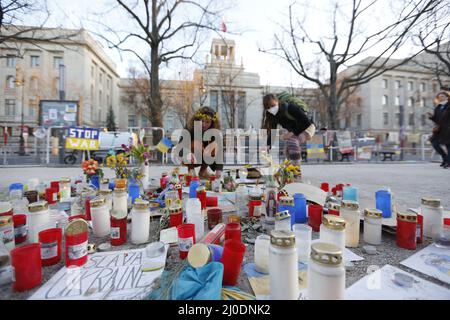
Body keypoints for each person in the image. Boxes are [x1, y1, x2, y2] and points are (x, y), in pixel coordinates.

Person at [262, 93, 315, 170]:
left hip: (307, 128)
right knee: (287, 151)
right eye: (268, 108)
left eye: (273, 105)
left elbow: (306, 123)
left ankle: (296, 171)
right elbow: (273, 130)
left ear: (277, 102)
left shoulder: (290, 107)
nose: (271, 109)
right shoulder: (272, 115)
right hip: (295, 131)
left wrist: (291, 133)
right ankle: (290, 170)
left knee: (292, 142)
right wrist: (268, 145)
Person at [181, 106, 223, 179]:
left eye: (207, 122)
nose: (204, 124)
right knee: (196, 143)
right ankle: (191, 171)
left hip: (204, 157)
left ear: (212, 123)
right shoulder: (189, 128)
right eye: (202, 121)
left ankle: (203, 171)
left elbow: (219, 151)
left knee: (214, 145)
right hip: (191, 156)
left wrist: (219, 169)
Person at [428, 91, 450, 169]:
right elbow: (437, 120)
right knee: (434, 142)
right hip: (440, 129)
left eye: (442, 96)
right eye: (439, 97)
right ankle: (445, 158)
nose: (440, 98)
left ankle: (448, 162)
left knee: (448, 145)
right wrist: (432, 117)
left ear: (447, 97)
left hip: (448, 129)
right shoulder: (438, 107)